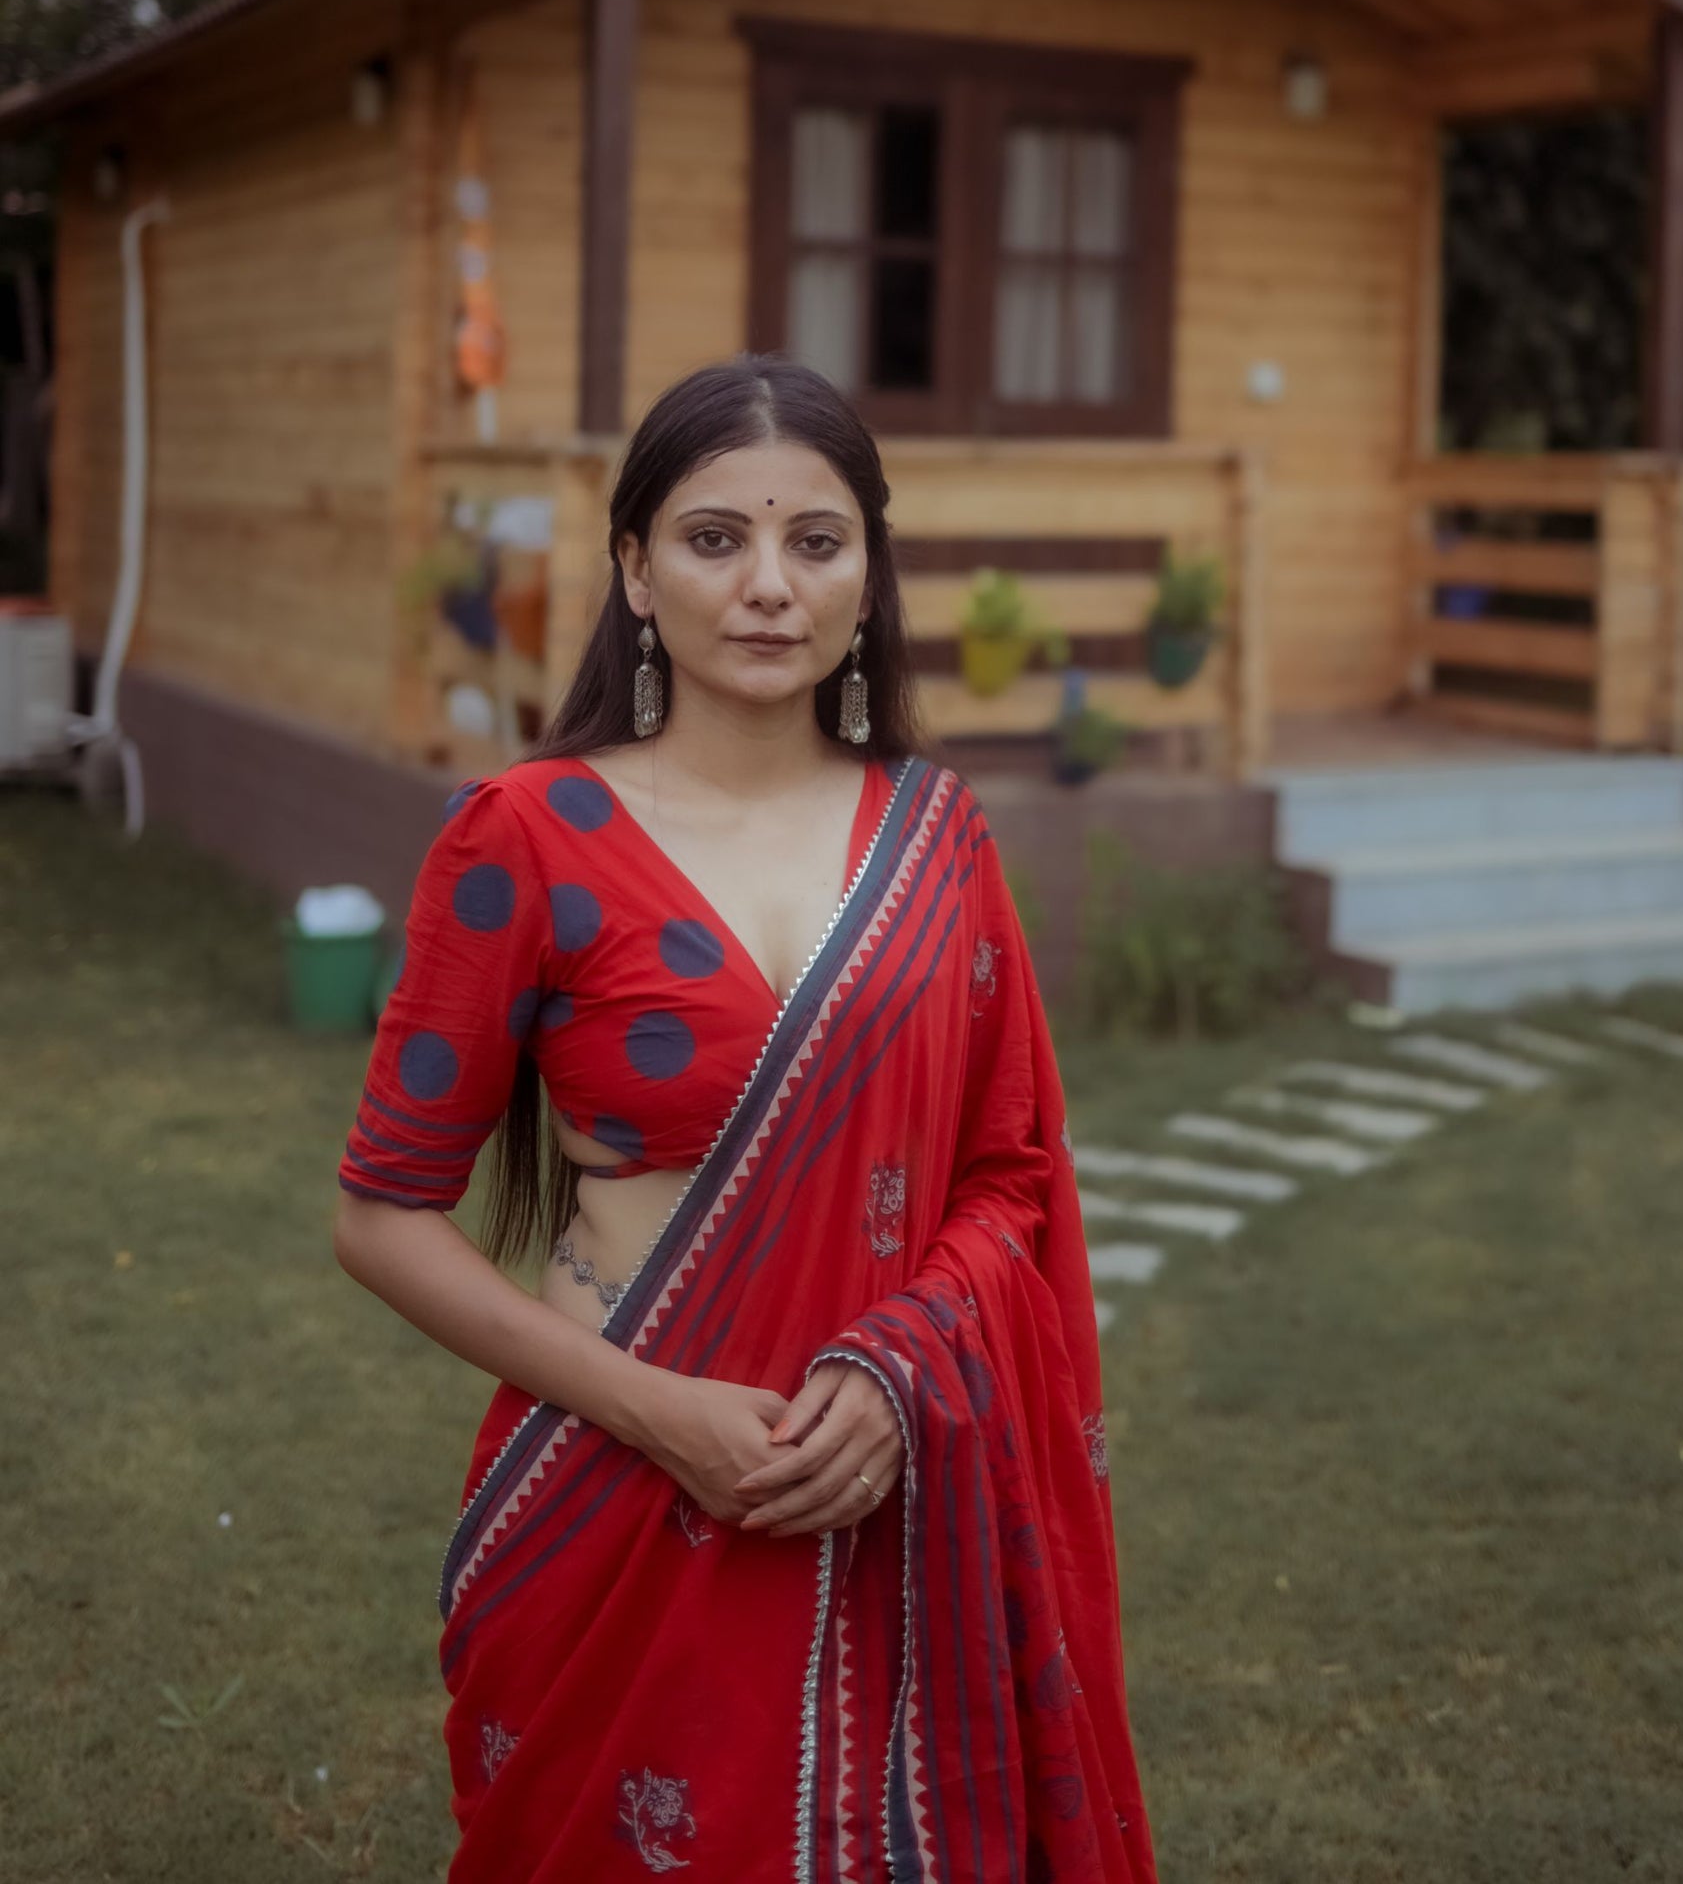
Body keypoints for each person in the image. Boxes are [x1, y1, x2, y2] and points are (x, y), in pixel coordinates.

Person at [334, 356, 1156, 1880]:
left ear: (867, 575)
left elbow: (1008, 1174)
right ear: (634, 573)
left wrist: (899, 1378)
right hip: (620, 1482)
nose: (768, 586)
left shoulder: (935, 836)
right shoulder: (526, 835)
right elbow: (382, 1213)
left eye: (816, 542)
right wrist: (663, 1416)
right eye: (715, 540)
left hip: (886, 1473)